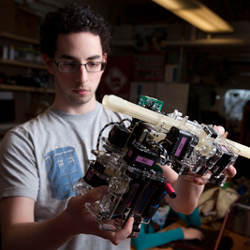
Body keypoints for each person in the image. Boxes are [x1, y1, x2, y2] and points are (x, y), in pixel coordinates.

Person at [0, 1, 236, 250]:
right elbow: (13, 241)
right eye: (69, 63)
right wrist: (69, 223)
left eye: (92, 63)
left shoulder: (134, 127)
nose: (82, 77)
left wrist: (196, 168)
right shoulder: (24, 141)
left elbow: (182, 203)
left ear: (104, 60)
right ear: (49, 63)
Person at [131, 206, 203, 250]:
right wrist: (181, 233)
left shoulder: (170, 199)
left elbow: (195, 224)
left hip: (151, 239)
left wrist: (191, 199)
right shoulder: (139, 204)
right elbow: (140, 243)